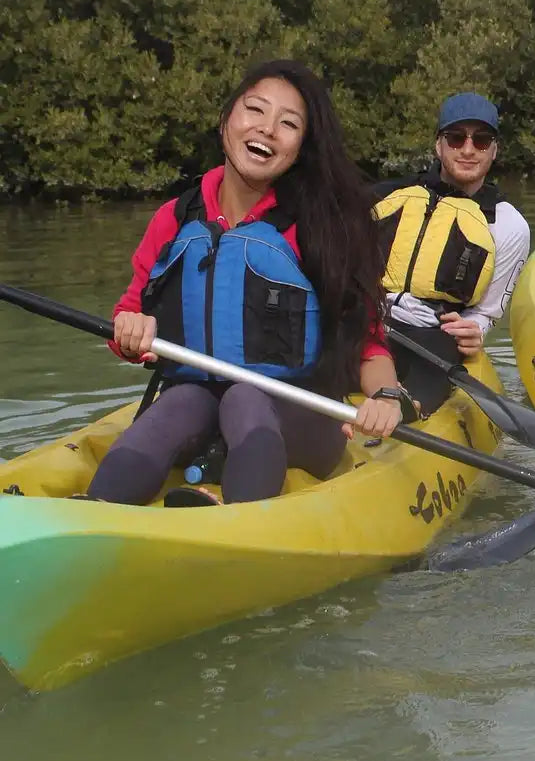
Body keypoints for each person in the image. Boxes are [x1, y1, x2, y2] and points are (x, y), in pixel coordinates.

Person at [87, 59, 412, 506]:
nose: (267, 129)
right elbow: (129, 313)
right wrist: (129, 332)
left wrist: (387, 398)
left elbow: (367, 340)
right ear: (226, 121)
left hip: (303, 413)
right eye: (255, 110)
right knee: (179, 402)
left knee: (243, 396)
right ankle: (94, 515)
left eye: (288, 123)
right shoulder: (177, 219)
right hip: (199, 400)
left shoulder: (320, 228)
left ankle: (241, 524)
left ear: (301, 147)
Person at [372, 92, 531, 415]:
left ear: (494, 150)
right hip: (369, 320)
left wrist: (476, 331)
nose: (468, 150)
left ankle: (408, 409)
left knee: (433, 369)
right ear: (438, 145)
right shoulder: (390, 197)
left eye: (482, 140)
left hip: (432, 334)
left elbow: (486, 313)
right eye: (456, 138)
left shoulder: (509, 226)